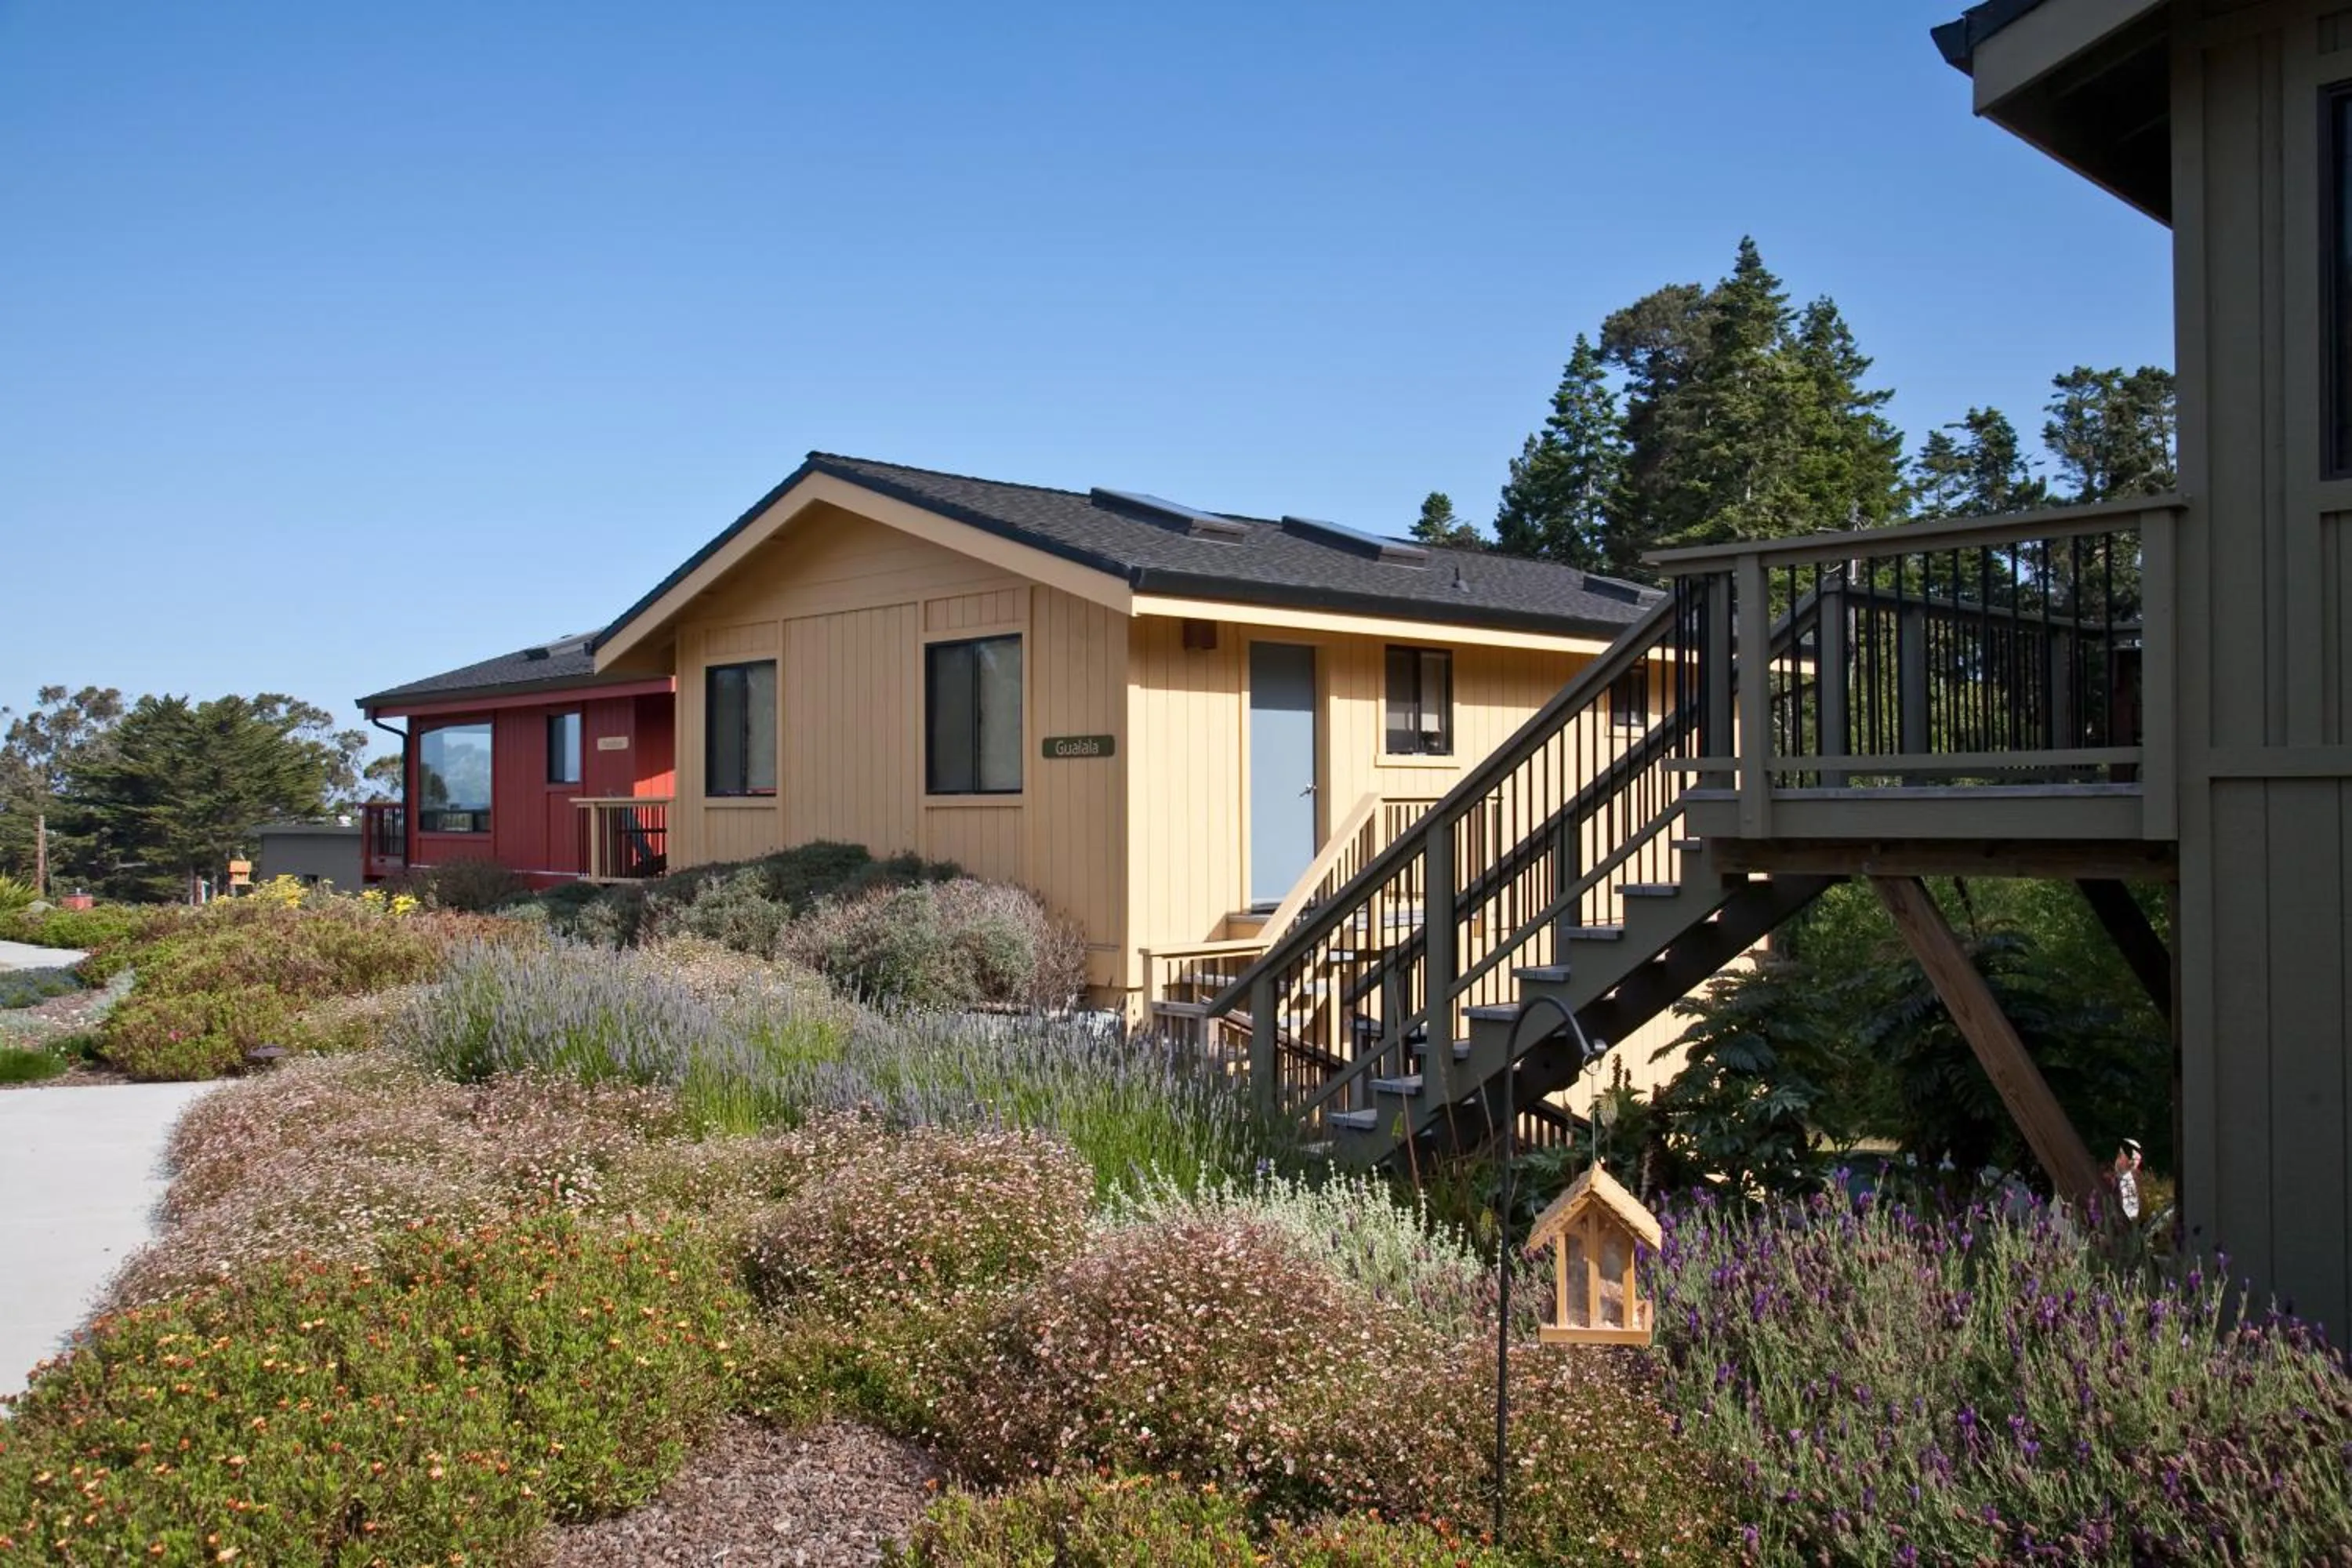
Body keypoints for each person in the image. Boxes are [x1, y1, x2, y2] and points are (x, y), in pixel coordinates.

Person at [2111, 1137, 2143, 1222]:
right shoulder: (2118, 1178)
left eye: (2121, 1156)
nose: (2118, 1161)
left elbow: (2138, 1195)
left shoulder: (2134, 1175)